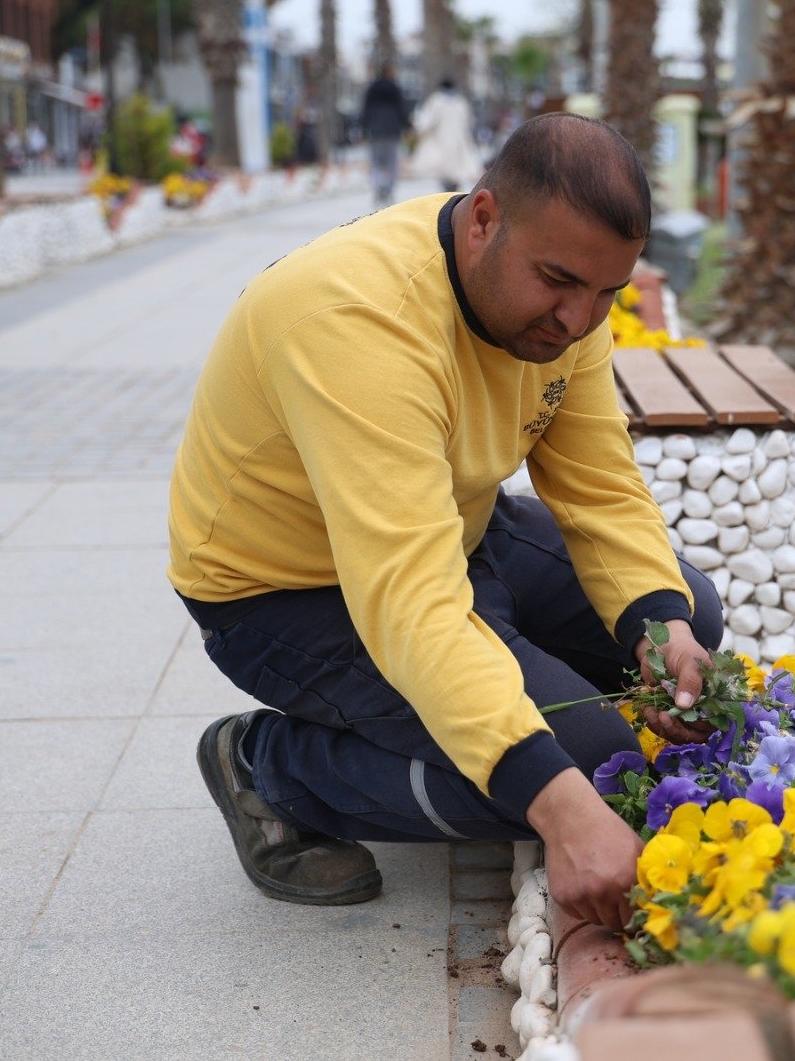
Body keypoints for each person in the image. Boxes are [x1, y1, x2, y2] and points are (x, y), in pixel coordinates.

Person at [169, 113, 721, 930]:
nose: (578, 319)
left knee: (684, 614)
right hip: (287, 592)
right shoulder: (355, 321)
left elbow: (600, 487)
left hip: (452, 530)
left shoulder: (568, 298)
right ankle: (265, 763)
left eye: (608, 292)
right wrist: (559, 805)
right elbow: (409, 599)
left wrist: (659, 626)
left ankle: (492, 711)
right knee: (583, 766)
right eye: (559, 282)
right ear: (485, 218)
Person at [410, 77, 484, 193]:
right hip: (458, 140)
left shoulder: (436, 100)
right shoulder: (460, 101)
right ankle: (453, 188)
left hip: (441, 139)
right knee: (456, 168)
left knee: (443, 168)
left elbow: (428, 121)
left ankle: (447, 189)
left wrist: (417, 125)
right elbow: (469, 121)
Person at [359, 63, 408, 205]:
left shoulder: (372, 88)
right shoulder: (395, 89)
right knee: (391, 162)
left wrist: (363, 127)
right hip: (392, 130)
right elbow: (401, 109)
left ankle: (378, 188)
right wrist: (406, 126)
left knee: (376, 162)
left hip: (375, 130)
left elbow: (365, 109)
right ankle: (389, 190)